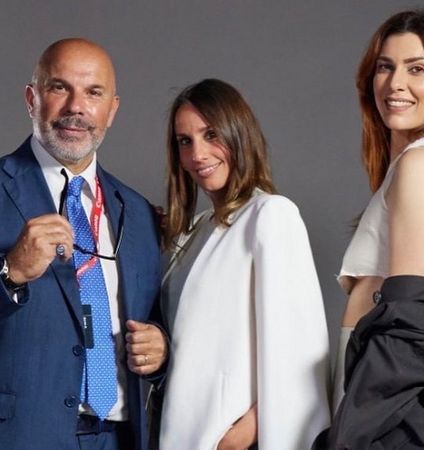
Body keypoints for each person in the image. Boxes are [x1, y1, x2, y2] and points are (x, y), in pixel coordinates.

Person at [0, 38, 166, 450]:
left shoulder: (137, 212)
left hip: (117, 440)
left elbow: (154, 326)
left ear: (112, 110)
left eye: (93, 92)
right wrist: (8, 274)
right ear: (32, 98)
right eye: (60, 87)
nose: (76, 107)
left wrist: (161, 352)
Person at [328, 9, 424, 448]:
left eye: (417, 68)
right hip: (382, 381)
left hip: (388, 392)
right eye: (385, 66)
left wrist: (354, 429)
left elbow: (410, 315)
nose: (395, 83)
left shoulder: (422, 162)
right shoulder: (418, 164)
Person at [152, 78, 330, 450]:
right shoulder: (196, 233)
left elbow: (299, 348)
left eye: (211, 134)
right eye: (185, 141)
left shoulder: (271, 215)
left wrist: (245, 433)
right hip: (183, 433)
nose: (198, 154)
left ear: (238, 133)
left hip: (234, 439)